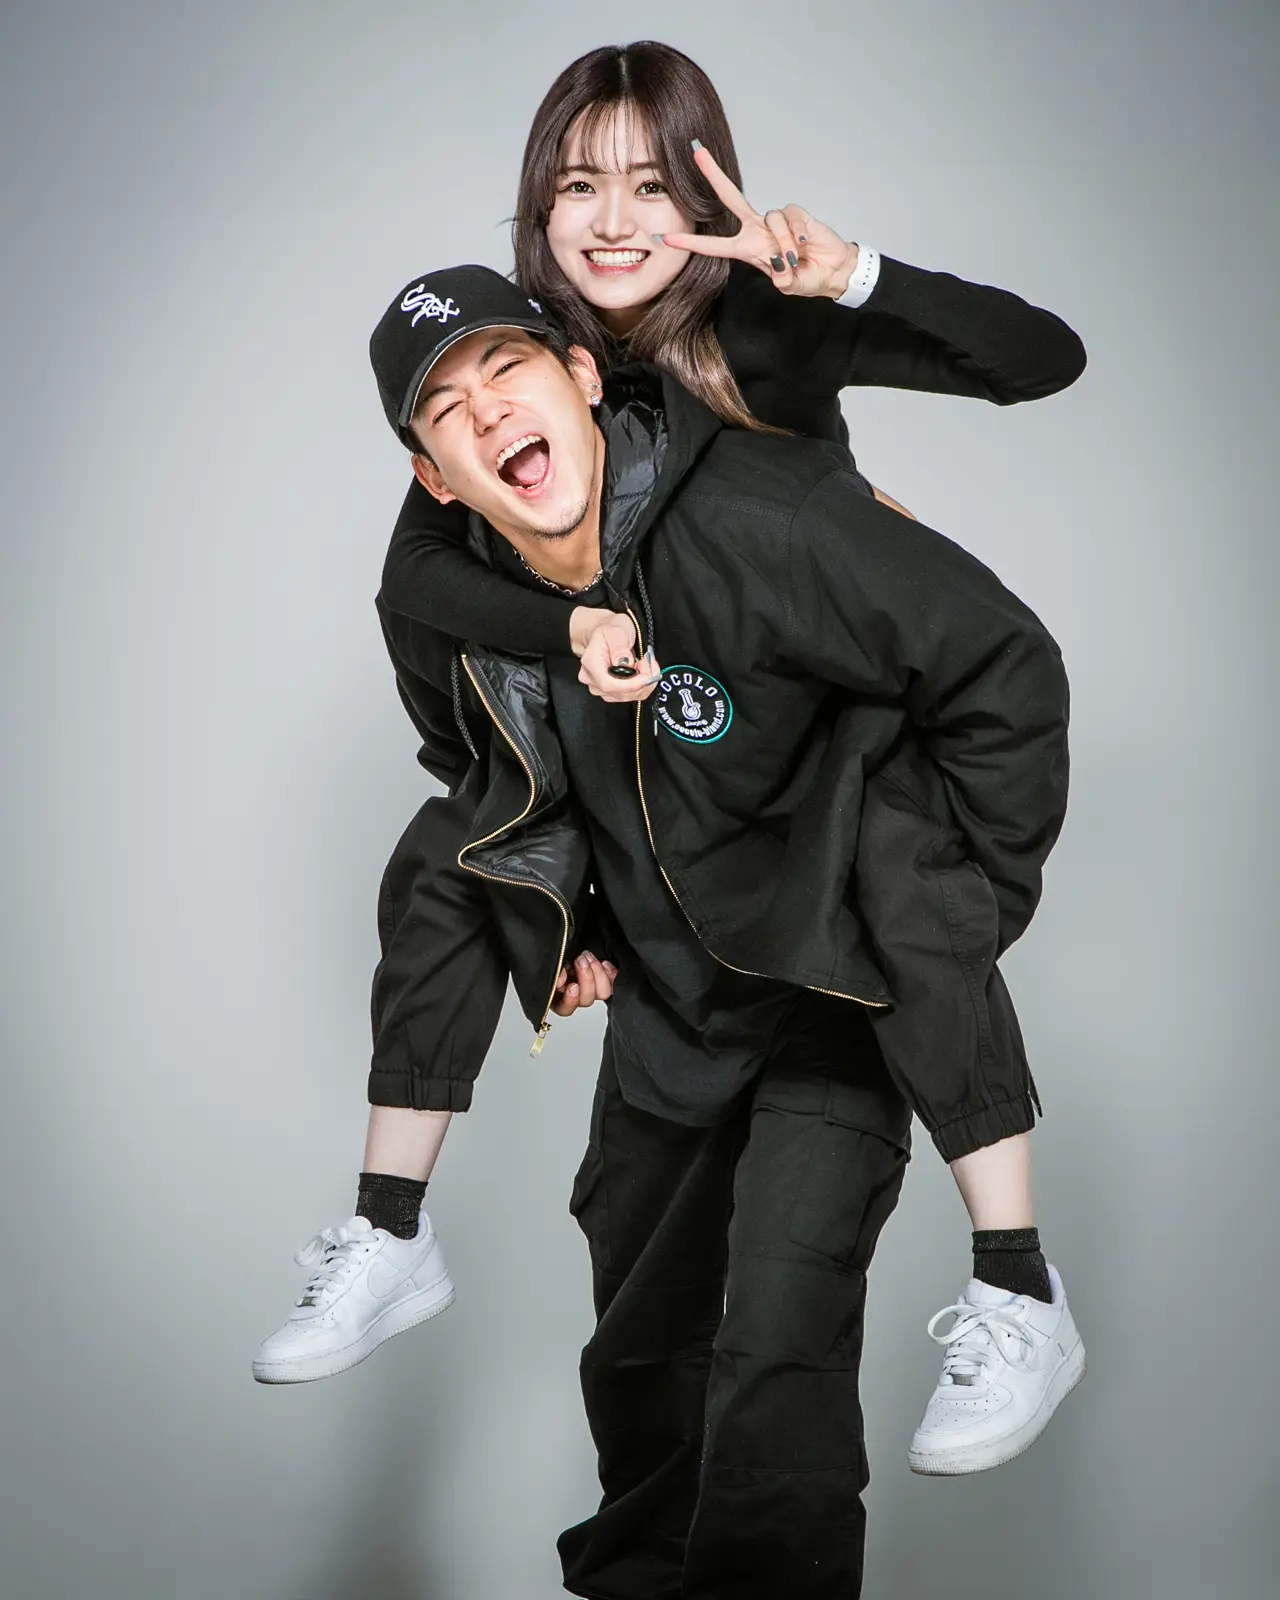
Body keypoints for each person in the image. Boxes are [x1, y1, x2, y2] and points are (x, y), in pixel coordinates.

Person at [255, 42, 1089, 1468]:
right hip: (668, 805)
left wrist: (850, 275)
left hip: (820, 755)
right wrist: (572, 641)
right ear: (539, 214)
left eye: (652, 182)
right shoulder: (505, 369)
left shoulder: (764, 324)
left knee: (900, 879)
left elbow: (1040, 363)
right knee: (461, 835)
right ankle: (391, 1224)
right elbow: (420, 587)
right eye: (579, 185)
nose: (615, 219)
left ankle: (1016, 1276)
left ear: (708, 193)